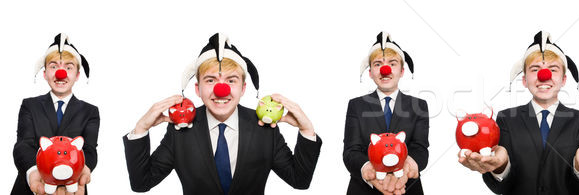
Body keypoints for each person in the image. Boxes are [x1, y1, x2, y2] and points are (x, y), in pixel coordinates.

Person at [123, 34, 322, 194]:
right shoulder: (179, 131)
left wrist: (307, 130)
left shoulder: (264, 128)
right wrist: (141, 129)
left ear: (243, 89)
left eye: (231, 80)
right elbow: (142, 184)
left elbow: (299, 181)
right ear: (198, 89)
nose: (221, 90)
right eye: (210, 80)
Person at [457, 31, 579, 195]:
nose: (544, 76)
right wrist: (500, 165)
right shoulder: (505, 119)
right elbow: (501, 188)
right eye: (535, 69)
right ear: (524, 80)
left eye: (553, 69)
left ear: (564, 80)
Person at [13, 34, 99, 195]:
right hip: (27, 189)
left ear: (77, 75)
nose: (61, 73)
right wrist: (33, 172)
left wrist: (83, 170)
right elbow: (24, 144)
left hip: (73, 188)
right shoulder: (29, 105)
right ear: (45, 74)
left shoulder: (90, 111)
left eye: (68, 67)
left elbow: (89, 149)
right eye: (54, 66)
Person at [343, 32, 428, 195]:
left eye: (392, 63)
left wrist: (409, 165)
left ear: (402, 71)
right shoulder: (356, 105)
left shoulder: (419, 106)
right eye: (377, 64)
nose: (385, 69)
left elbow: (421, 148)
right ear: (370, 73)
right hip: (362, 190)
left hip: (407, 189)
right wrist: (368, 169)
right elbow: (350, 151)